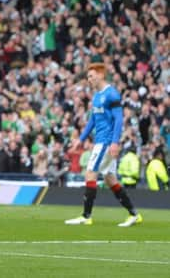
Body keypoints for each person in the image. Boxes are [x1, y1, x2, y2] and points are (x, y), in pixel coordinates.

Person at [65, 62, 142, 227]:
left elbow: (119, 119)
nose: (89, 79)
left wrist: (114, 142)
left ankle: (86, 216)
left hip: (106, 142)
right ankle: (134, 214)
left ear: (101, 75)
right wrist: (81, 139)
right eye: (88, 77)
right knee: (110, 179)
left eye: (91, 76)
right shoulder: (96, 96)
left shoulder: (112, 94)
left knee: (90, 173)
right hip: (100, 141)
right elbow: (92, 120)